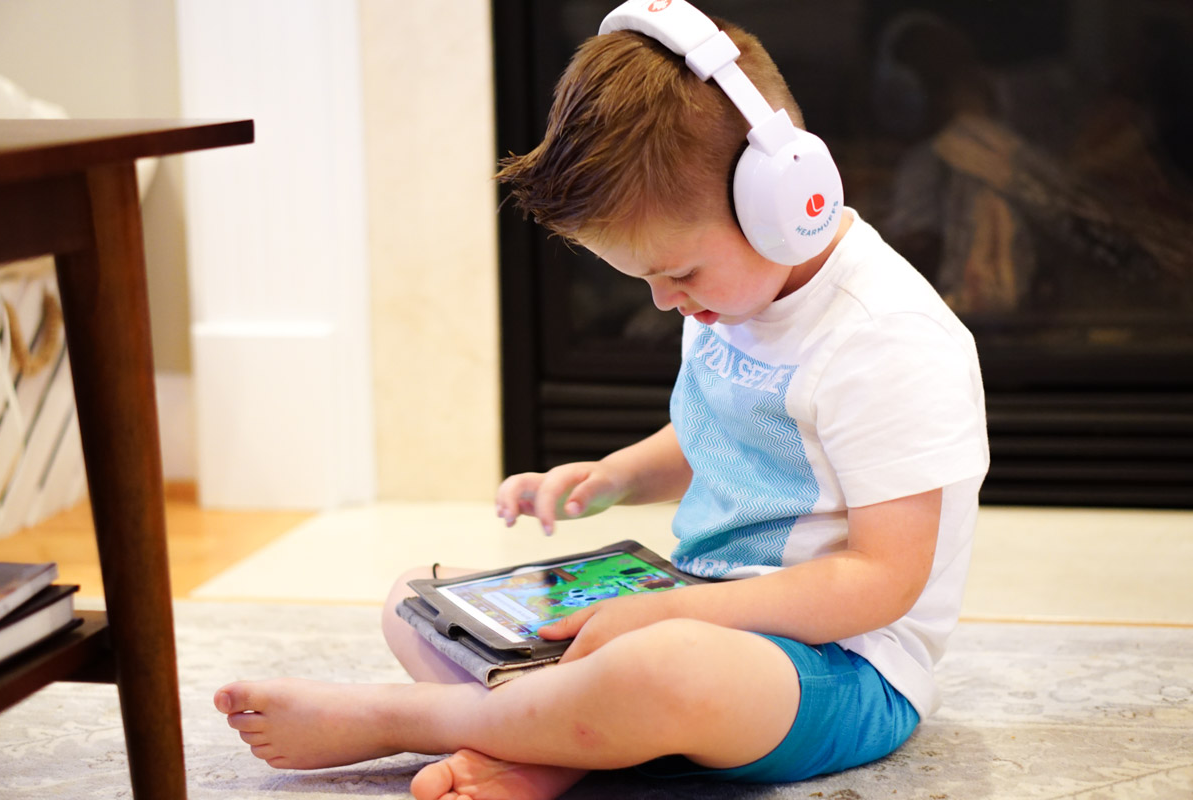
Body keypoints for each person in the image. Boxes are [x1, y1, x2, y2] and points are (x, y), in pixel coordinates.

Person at [213, 3, 988, 798]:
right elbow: (727, 432)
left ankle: (407, 719)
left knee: (664, 667)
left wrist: (668, 620)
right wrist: (613, 477)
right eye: (647, 279)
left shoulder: (886, 338)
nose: (664, 301)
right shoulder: (728, 297)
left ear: (787, 200)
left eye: (678, 274)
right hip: (696, 604)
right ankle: (551, 744)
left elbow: (880, 581)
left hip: (842, 667)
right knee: (421, 600)